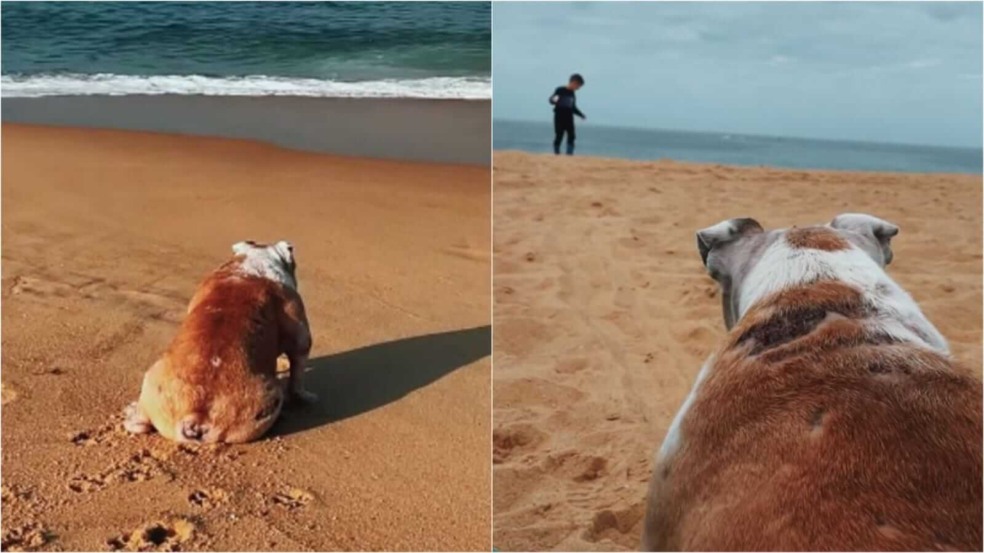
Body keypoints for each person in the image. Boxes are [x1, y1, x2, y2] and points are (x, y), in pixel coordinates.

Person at [549, 73, 586, 155]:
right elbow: (551, 101)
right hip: (559, 117)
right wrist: (555, 99)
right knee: (559, 135)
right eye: (578, 86)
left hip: (569, 117)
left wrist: (581, 115)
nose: (578, 88)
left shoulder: (572, 94)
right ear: (574, 82)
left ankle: (569, 154)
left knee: (572, 135)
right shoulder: (560, 90)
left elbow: (573, 107)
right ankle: (556, 153)